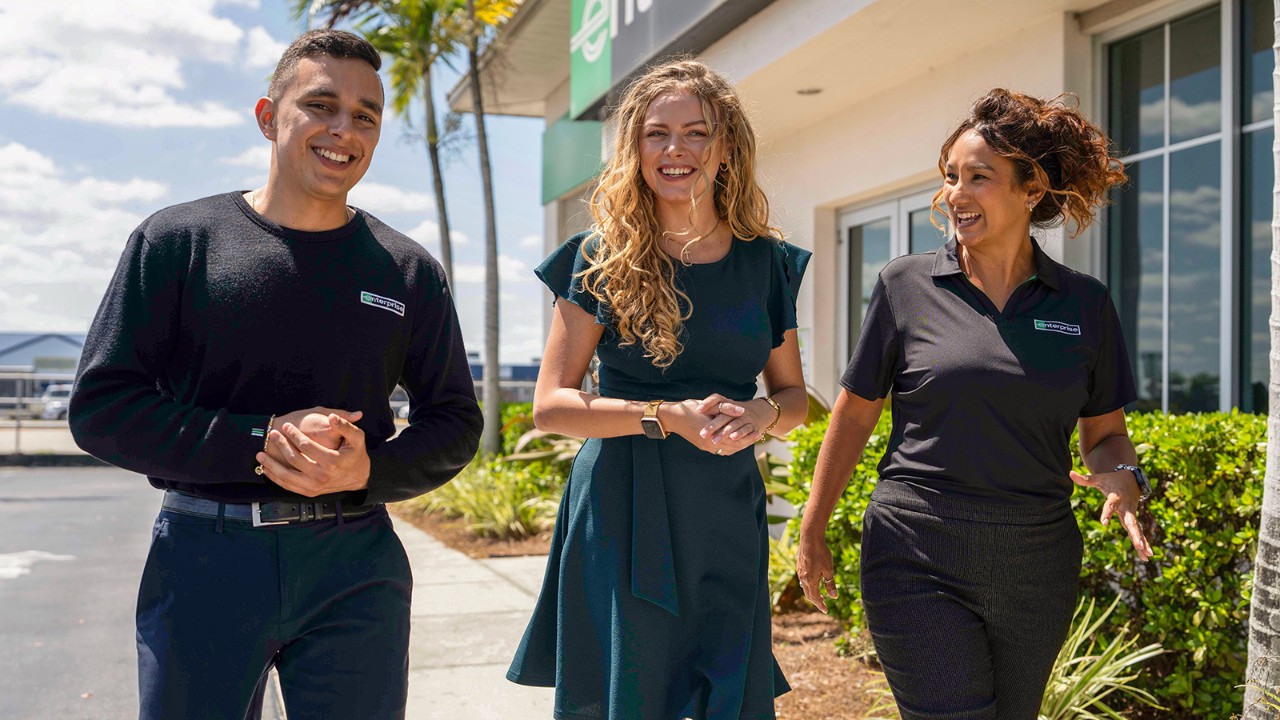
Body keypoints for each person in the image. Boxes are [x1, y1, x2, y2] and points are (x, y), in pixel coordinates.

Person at [69, 29, 482, 720]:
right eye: (321, 105)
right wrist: (264, 439)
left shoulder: (406, 270)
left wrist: (366, 472)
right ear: (269, 116)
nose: (342, 130)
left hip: (355, 564)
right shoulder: (178, 242)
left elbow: (454, 422)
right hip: (207, 555)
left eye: (365, 116)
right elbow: (102, 409)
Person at [796, 88, 1156, 720]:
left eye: (977, 178)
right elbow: (855, 413)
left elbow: (1105, 433)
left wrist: (1124, 479)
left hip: (1037, 561)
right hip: (917, 548)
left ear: (1031, 188)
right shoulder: (905, 285)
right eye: (950, 178)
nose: (954, 195)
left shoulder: (1084, 304)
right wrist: (814, 523)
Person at [506, 59, 810, 720]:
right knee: (629, 693)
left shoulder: (768, 263)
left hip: (725, 508)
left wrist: (761, 414)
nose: (676, 150)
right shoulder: (600, 256)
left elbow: (795, 401)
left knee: (724, 689)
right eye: (656, 134)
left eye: (696, 133)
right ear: (635, 151)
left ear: (726, 148)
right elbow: (551, 406)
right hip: (623, 503)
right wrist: (666, 417)